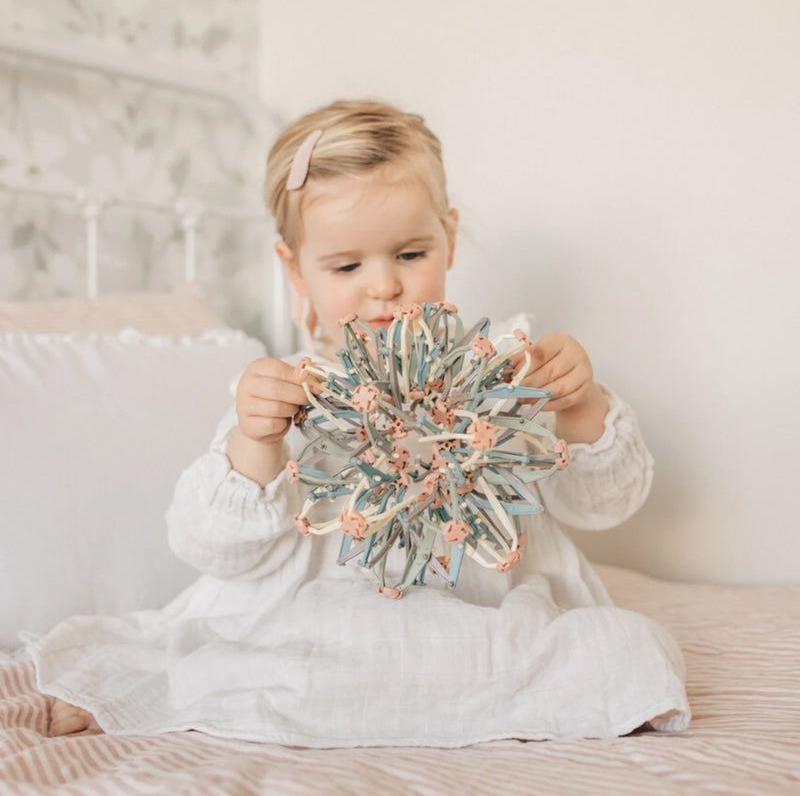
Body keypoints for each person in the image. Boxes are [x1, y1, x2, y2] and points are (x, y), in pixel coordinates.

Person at [40, 99, 689, 745]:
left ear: (449, 238)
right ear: (294, 268)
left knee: (629, 649)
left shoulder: (505, 367)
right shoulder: (288, 390)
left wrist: (580, 406)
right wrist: (256, 442)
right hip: (326, 627)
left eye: (410, 254)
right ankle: (227, 683)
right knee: (315, 645)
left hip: (484, 621)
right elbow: (213, 549)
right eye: (347, 266)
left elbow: (603, 504)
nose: (383, 286)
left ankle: (424, 689)